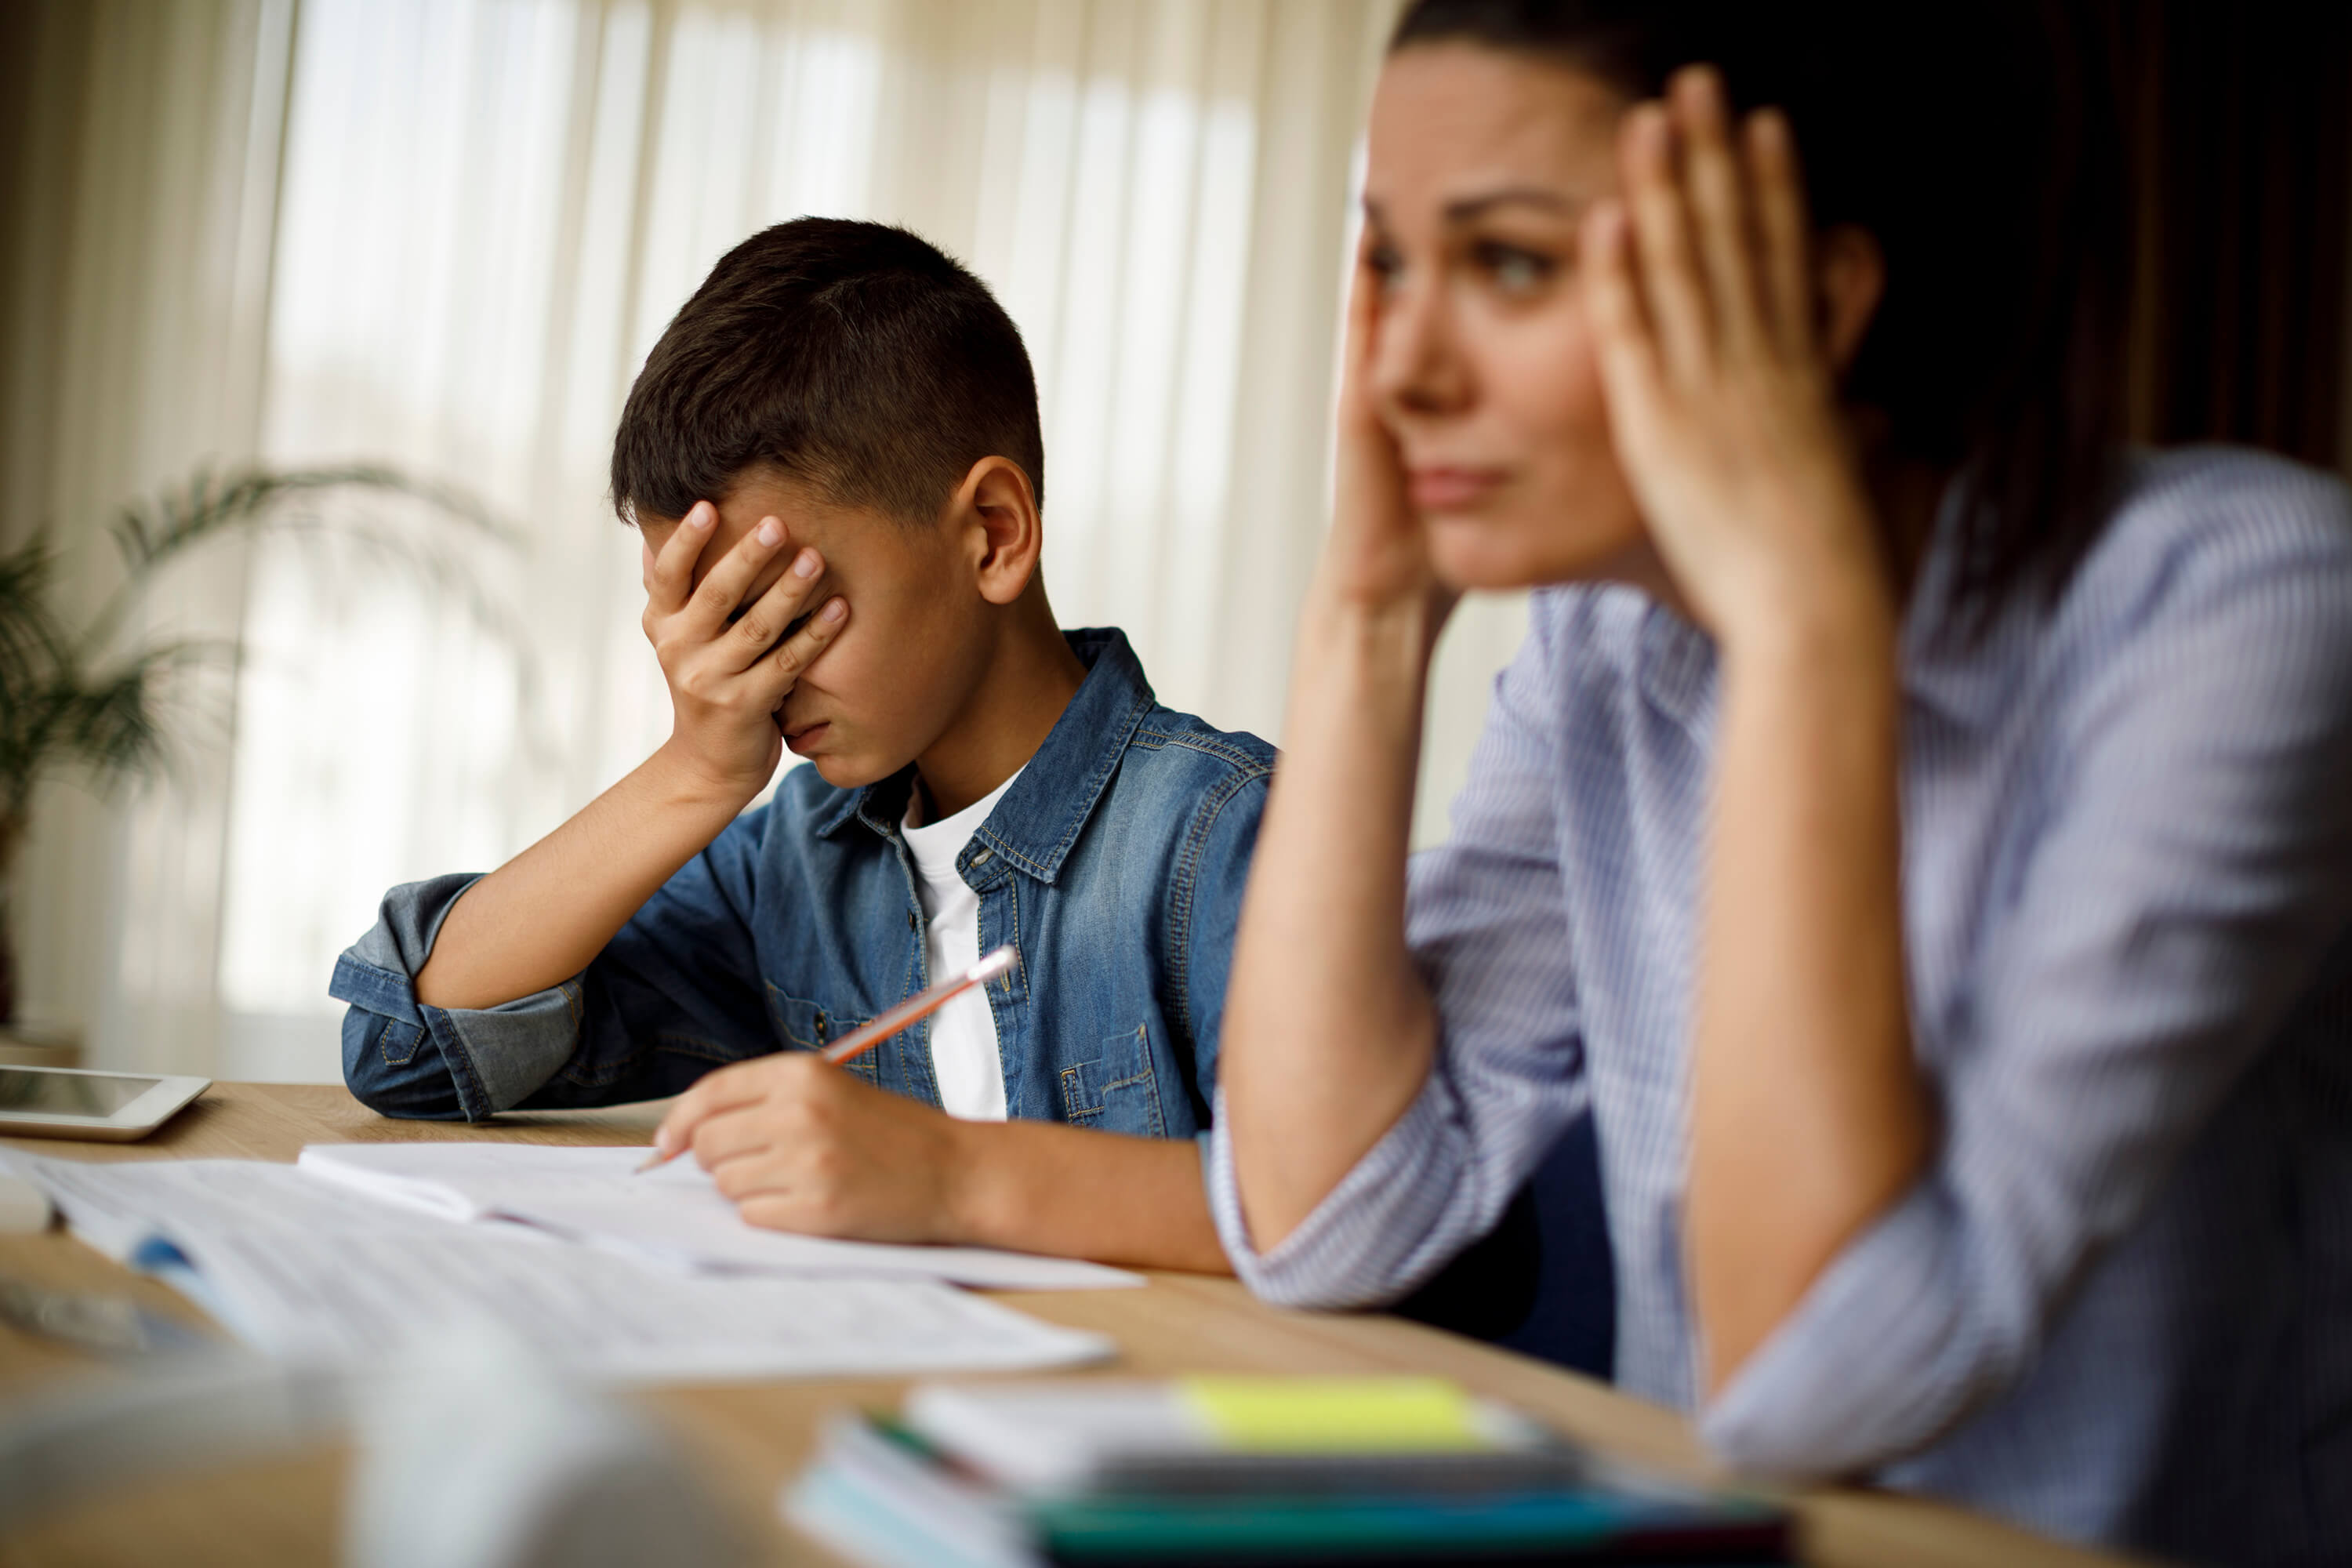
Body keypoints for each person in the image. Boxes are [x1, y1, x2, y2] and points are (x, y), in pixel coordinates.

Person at [1208, 2, 2352, 1561]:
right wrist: (1370, 608)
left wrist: (1806, 615)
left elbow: (1815, 1379)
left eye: (1513, 264)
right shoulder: (1607, 637)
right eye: (1390, 260)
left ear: (1812, 303)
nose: (1401, 367)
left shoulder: (2239, 605)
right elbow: (1327, 1216)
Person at [332, 219, 1272, 1272]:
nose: (747, 677)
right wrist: (693, 774)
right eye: (713, 625)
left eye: (778, 614)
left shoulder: (1229, 841)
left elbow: (1354, 1217)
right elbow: (408, 1050)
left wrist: (947, 1178)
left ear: (993, 534)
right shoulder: (803, 859)